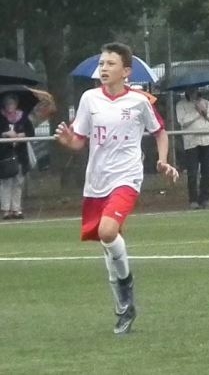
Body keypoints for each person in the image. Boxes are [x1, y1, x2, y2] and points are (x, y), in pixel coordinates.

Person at [53, 42, 180, 334]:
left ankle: (126, 287)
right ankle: (124, 307)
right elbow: (79, 141)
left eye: (110, 64)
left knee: (108, 231)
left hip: (127, 177)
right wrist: (68, 141)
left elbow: (160, 132)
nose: (104, 68)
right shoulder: (89, 99)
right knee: (107, 244)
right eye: (102, 63)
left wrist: (163, 160)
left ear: (126, 71)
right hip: (97, 180)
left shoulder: (139, 101)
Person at [176, 88, 209, 209]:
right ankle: (193, 200)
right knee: (192, 173)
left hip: (207, 140)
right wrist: (197, 112)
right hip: (191, 142)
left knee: (207, 171)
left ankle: (205, 199)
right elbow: (182, 122)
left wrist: (204, 111)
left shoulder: (206, 103)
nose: (194, 92)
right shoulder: (181, 105)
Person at [0, 94, 35, 219]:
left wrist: (22, 135)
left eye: (12, 103)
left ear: (16, 104)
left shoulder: (23, 117)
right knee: (6, 182)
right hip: (5, 155)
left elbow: (31, 132)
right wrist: (6, 134)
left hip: (20, 154)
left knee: (18, 182)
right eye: (7, 104)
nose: (10, 106)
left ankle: (17, 209)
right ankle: (6, 209)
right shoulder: (1, 117)